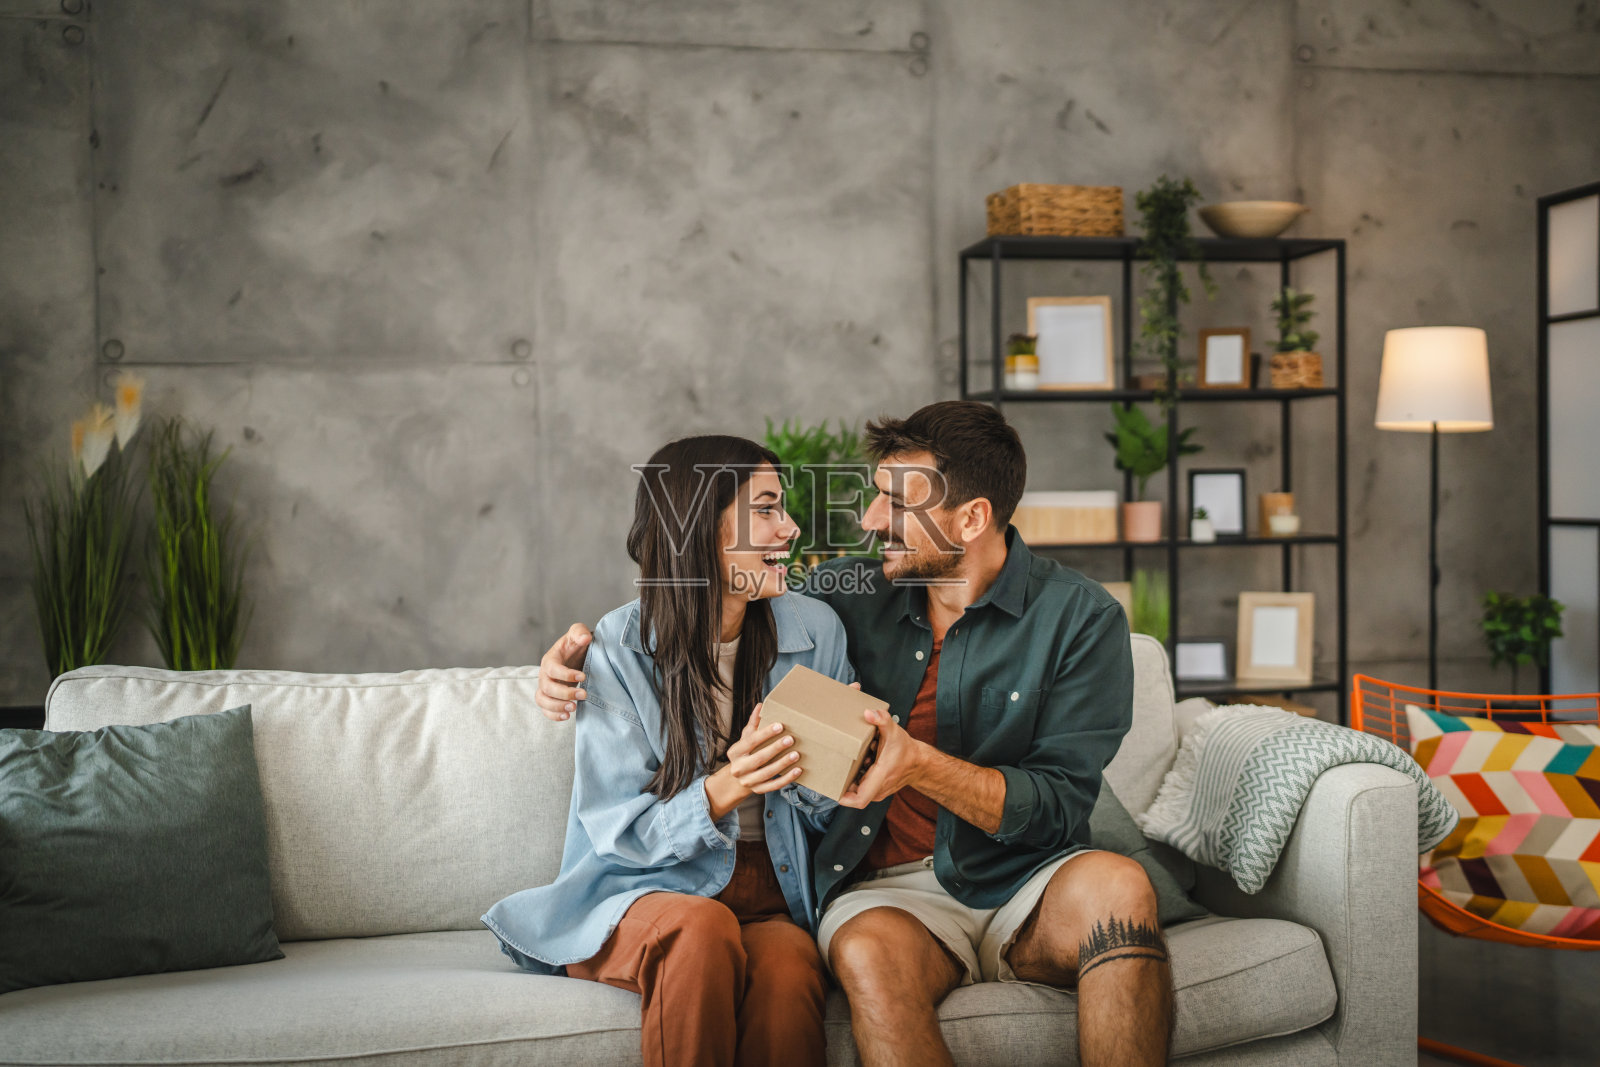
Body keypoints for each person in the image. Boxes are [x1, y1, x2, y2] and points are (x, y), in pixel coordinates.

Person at [536, 402, 1175, 1067]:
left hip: (1027, 876)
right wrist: (566, 663)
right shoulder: (844, 596)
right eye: (875, 496)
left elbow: (1059, 807)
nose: (869, 520)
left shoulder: (1079, 618)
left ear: (973, 517)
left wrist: (917, 765)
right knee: (853, 951)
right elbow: (710, 595)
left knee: (1122, 888)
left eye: (894, 502)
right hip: (885, 893)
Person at [483, 434, 856, 1067]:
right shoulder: (619, 646)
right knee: (701, 930)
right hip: (639, 890)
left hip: (772, 889)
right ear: (699, 529)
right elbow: (615, 831)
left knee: (793, 966)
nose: (790, 527)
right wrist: (726, 788)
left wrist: (847, 763)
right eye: (766, 509)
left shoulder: (815, 630)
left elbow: (825, 811)